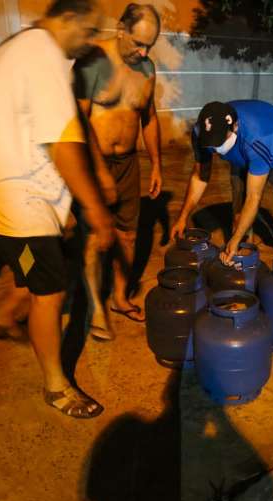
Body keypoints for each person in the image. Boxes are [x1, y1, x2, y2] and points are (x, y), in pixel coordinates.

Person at [0, 0, 113, 419]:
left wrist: (61, 207)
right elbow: (64, 145)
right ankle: (56, 386)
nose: (87, 44)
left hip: (10, 195)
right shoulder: (44, 54)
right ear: (68, 18)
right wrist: (95, 210)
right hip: (18, 202)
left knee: (35, 270)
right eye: (87, 33)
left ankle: (0, 320)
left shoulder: (15, 47)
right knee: (50, 291)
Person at [73, 2, 163, 337]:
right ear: (121, 29)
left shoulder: (148, 69)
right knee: (97, 237)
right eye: (138, 43)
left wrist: (156, 165)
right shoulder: (93, 61)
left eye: (149, 46)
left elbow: (149, 118)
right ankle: (96, 308)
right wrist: (96, 170)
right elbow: (78, 119)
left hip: (128, 162)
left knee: (128, 234)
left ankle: (119, 298)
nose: (143, 51)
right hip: (95, 160)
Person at [171, 100, 273, 268]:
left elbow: (253, 197)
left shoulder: (257, 138)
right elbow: (200, 177)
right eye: (211, 142)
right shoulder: (200, 133)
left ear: (234, 127)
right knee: (238, 214)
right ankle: (242, 265)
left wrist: (234, 239)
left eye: (220, 140)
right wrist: (182, 217)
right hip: (242, 153)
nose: (216, 148)